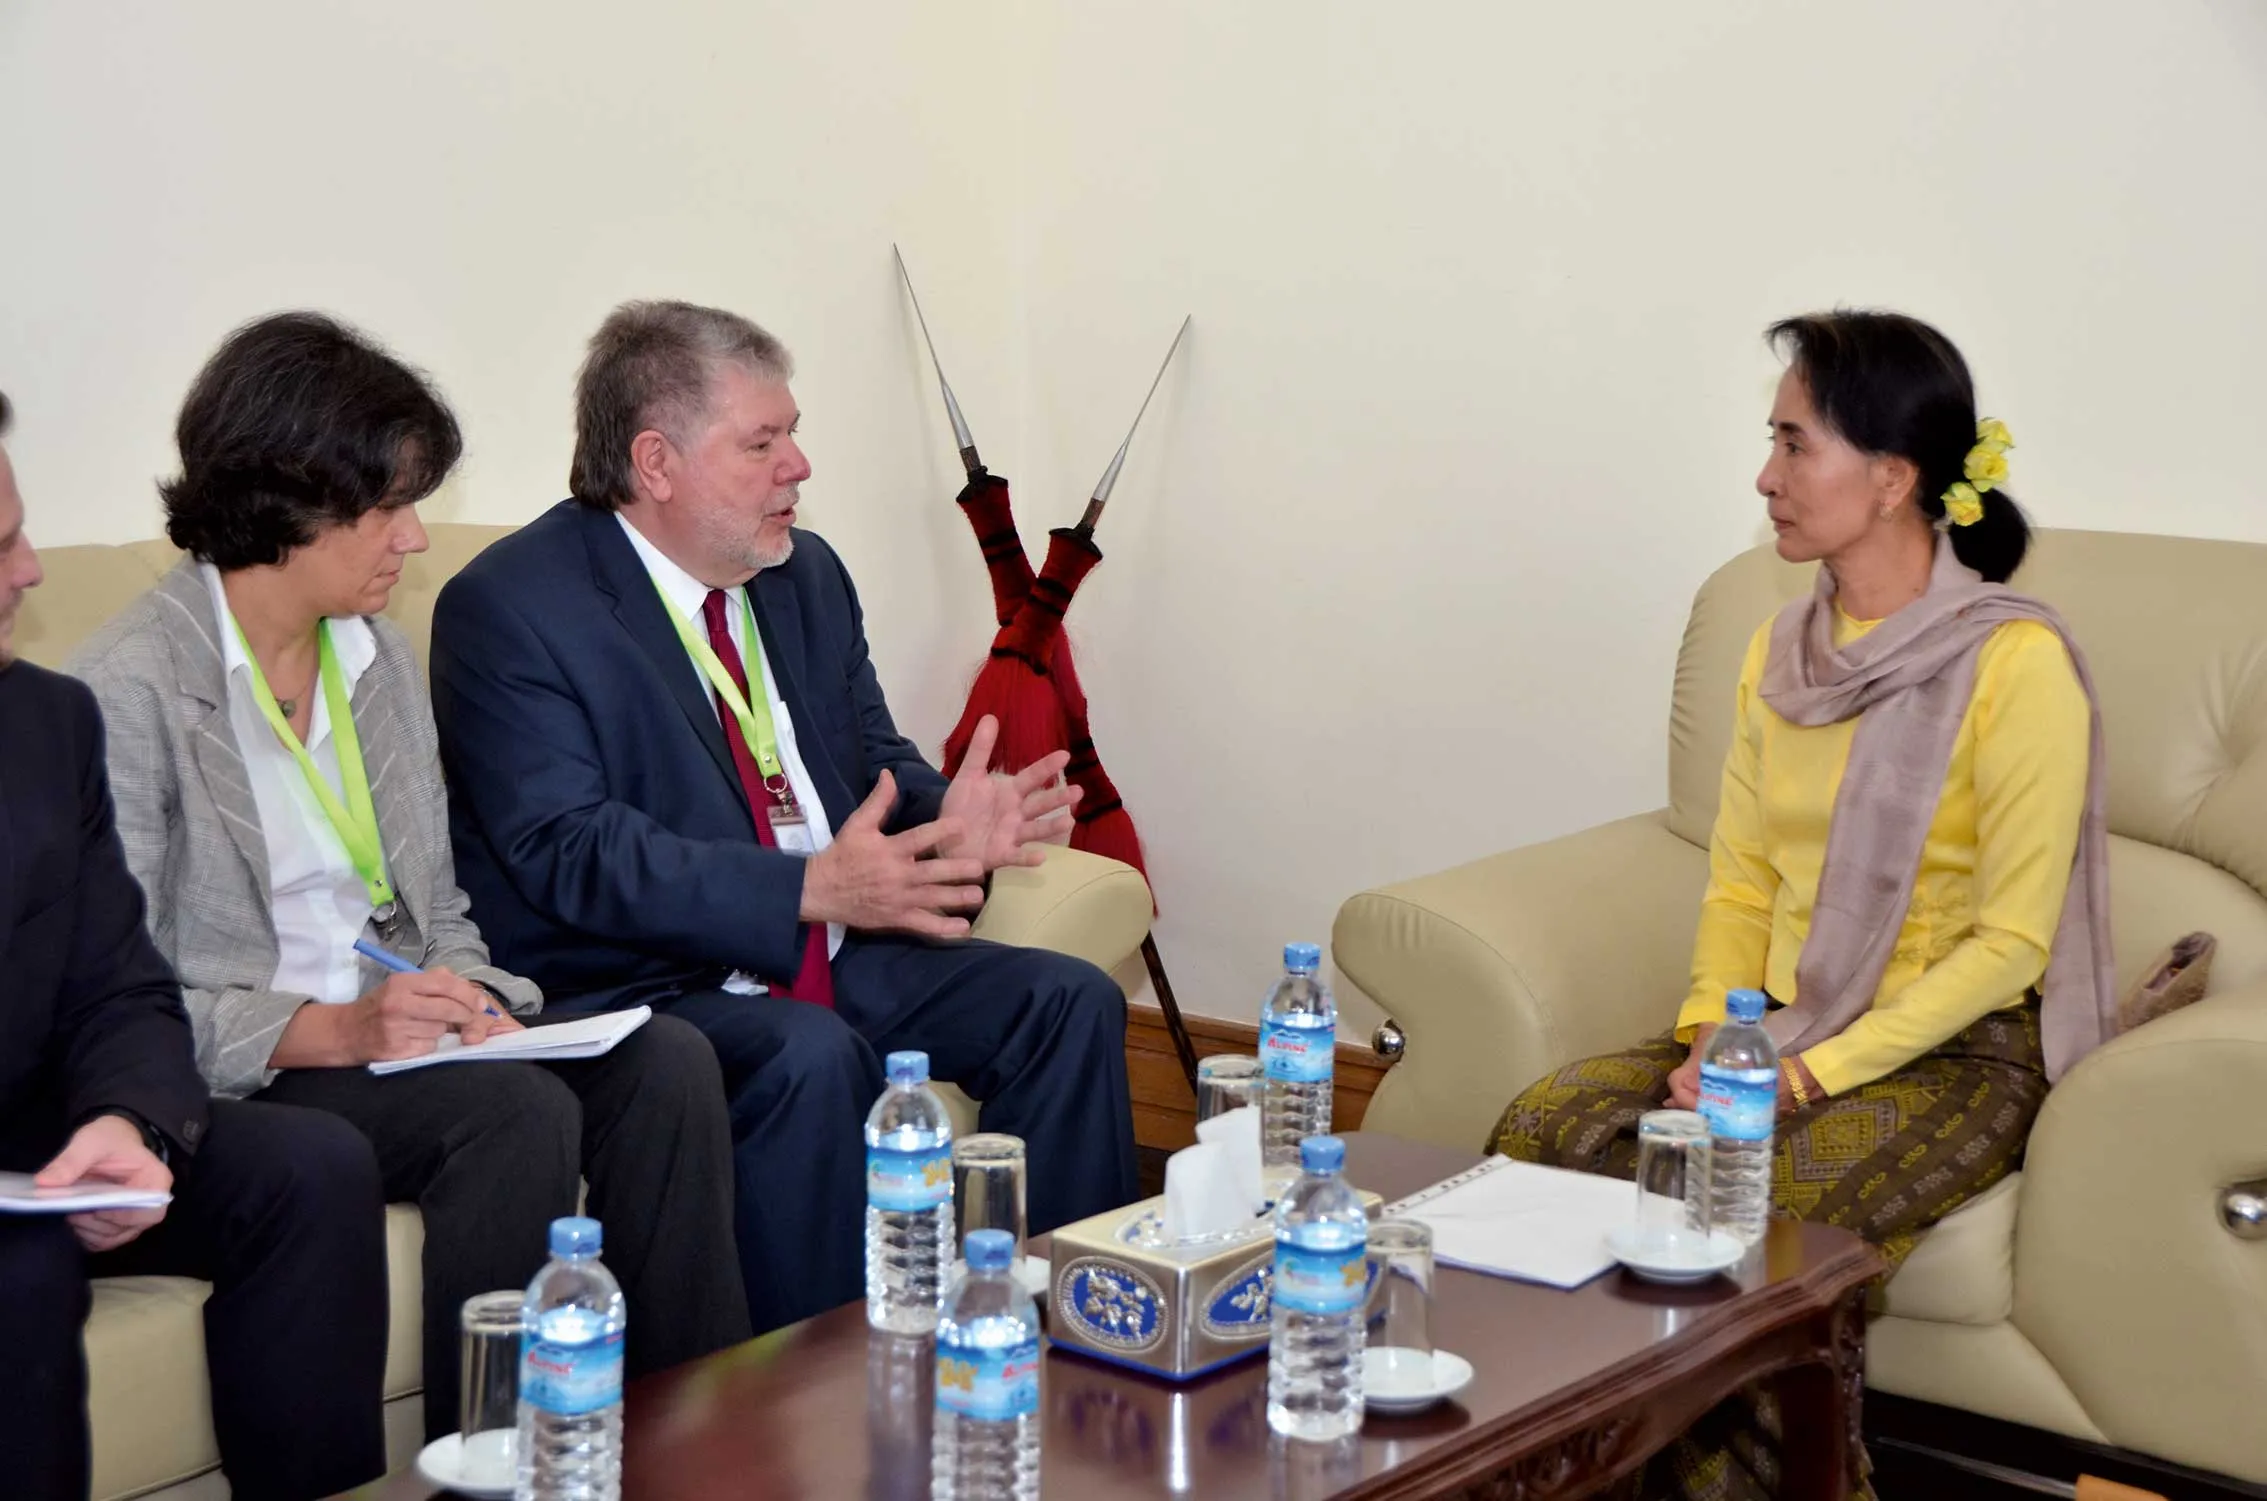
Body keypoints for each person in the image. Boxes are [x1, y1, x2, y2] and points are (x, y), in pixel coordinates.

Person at [67, 314, 751, 1441]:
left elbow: (436, 908)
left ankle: (691, 1443)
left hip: (393, 1033)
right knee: (511, 1114)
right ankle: (497, 1459)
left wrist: (469, 994)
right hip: (266, 1061)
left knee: (665, 1059)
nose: (415, 538)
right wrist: (332, 1030)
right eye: (387, 505)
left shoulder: (371, 655)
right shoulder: (128, 693)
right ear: (289, 501)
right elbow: (117, 1000)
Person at [1487, 310, 2115, 1500]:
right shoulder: (1779, 650)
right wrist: (1704, 1047)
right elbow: (1740, 876)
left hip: (1956, 1049)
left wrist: (1799, 1077)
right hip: (1771, 1021)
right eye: (1768, 443)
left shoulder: (2014, 665)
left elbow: (2009, 942)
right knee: (1538, 1125)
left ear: (1889, 479)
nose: (1763, 478)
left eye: (1792, 445)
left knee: (1741, 1224)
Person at [427, 300, 1140, 1331]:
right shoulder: (515, 606)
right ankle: (820, 1420)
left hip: (832, 941)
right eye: (762, 442)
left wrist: (952, 823)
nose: (797, 465)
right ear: (656, 462)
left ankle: (1070, 1341)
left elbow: (870, 763)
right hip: (649, 982)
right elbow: (566, 849)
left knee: (1066, 1003)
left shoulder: (802, 574)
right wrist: (807, 887)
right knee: (809, 1054)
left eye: (791, 433)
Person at [0, 388, 390, 1501]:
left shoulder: (43, 724)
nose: (32, 571)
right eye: (4, 544)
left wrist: (125, 1122)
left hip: (32, 1131)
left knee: (308, 1167)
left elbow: (120, 985)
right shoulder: (118, 685)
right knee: (24, 1270)